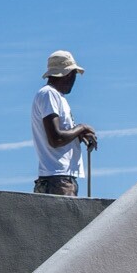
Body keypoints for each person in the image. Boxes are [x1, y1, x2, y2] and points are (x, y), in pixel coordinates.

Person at [31, 49, 98, 195]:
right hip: (58, 178)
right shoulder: (49, 94)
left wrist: (78, 135)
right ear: (68, 74)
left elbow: (59, 136)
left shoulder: (56, 96)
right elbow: (56, 138)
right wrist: (81, 128)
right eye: (74, 74)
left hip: (58, 178)